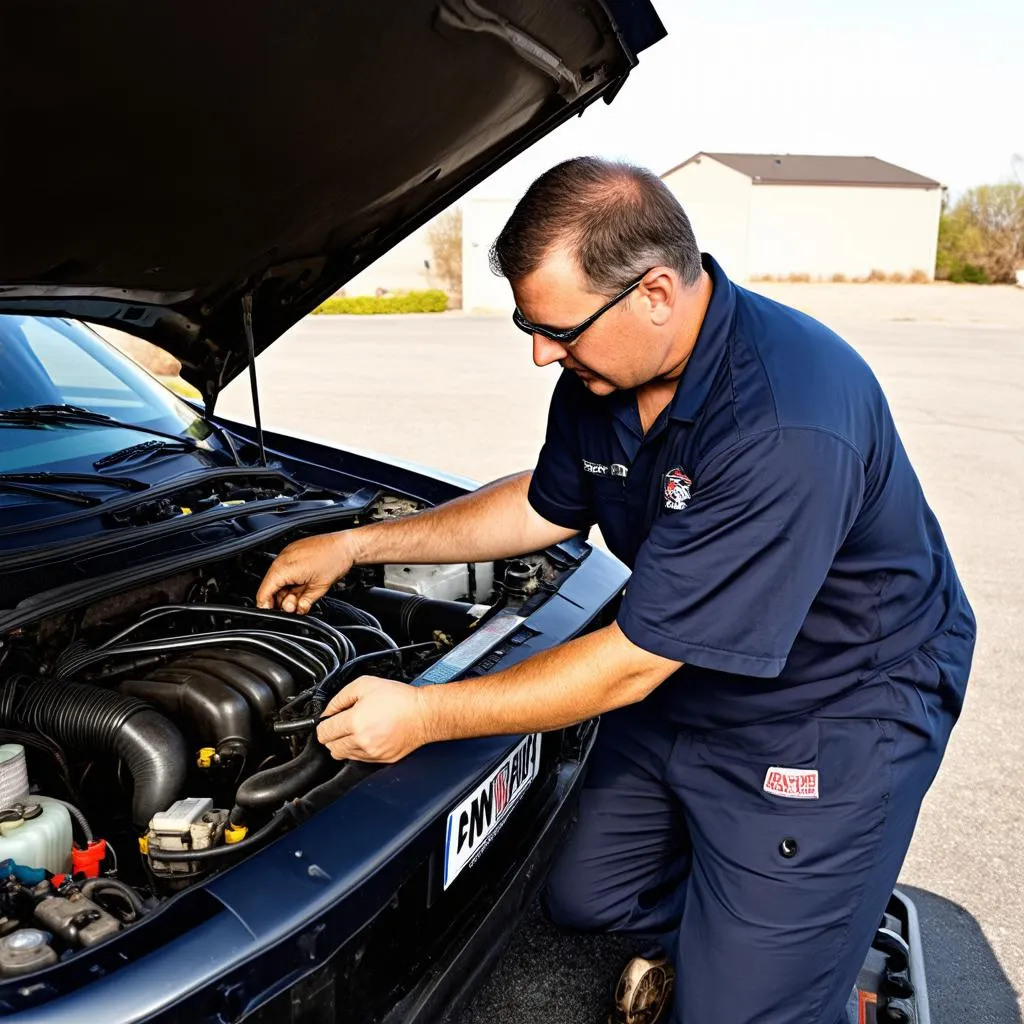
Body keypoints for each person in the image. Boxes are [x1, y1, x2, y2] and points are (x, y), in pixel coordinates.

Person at [256, 157, 976, 1024]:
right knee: (580, 897)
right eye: (528, 323)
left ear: (657, 294)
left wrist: (420, 714)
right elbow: (541, 504)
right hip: (688, 666)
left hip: (832, 702)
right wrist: (355, 544)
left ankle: (794, 943)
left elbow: (631, 664)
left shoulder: (786, 419)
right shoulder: (602, 377)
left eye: (558, 329)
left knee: (733, 1012)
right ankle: (751, 924)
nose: (539, 353)